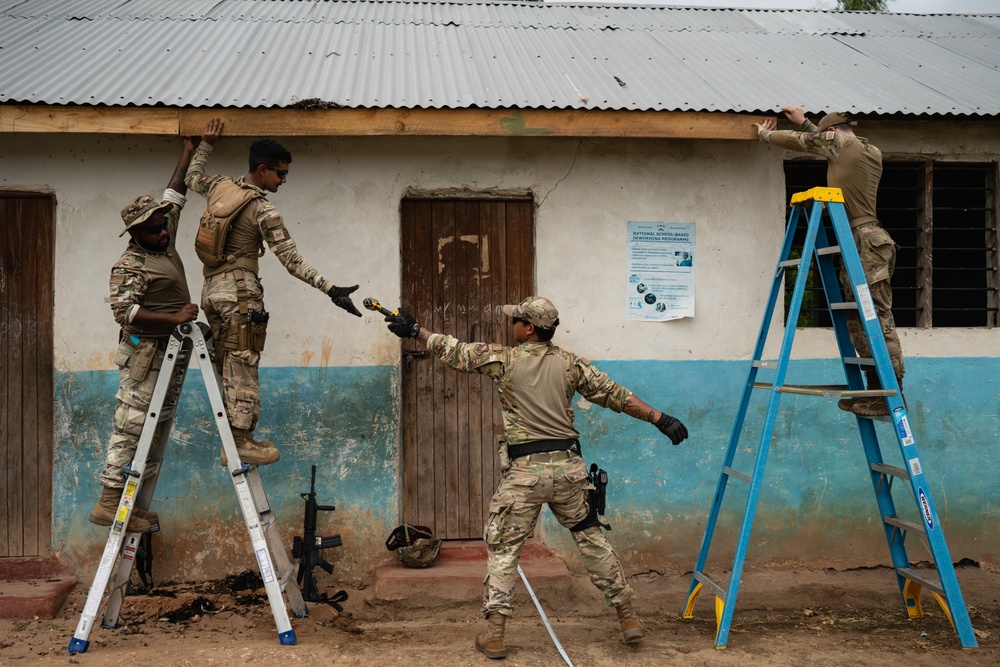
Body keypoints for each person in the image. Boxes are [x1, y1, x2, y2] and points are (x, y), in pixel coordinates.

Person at [384, 296, 690, 659]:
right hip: (569, 472)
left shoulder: (505, 359)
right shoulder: (571, 364)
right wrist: (660, 419)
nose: (511, 323)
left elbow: (457, 352)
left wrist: (416, 330)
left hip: (525, 475)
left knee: (503, 549)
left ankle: (495, 634)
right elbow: (617, 396)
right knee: (591, 539)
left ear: (529, 328)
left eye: (516, 320)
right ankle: (627, 618)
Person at [185, 119, 362, 465]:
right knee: (244, 364)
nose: (283, 180)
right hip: (240, 295)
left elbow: (192, 176)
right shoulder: (262, 209)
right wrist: (331, 289)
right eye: (280, 174)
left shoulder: (219, 186)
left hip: (211, 292)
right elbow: (291, 260)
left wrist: (204, 145)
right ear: (262, 170)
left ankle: (233, 439)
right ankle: (239, 440)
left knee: (227, 365)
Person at [753, 106, 904, 417]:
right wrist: (807, 122)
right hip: (860, 241)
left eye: (824, 133)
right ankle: (874, 390)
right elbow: (819, 137)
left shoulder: (842, 145)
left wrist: (765, 135)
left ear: (833, 133)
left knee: (876, 316)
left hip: (864, 241)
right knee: (859, 317)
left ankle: (890, 392)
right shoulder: (858, 147)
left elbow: (805, 141)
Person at [88, 137, 201, 532]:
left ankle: (129, 505)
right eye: (155, 230)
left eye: (163, 225)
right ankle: (107, 503)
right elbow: (126, 312)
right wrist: (173, 318)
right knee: (132, 426)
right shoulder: (131, 263)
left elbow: (176, 191)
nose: (164, 232)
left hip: (172, 353)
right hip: (145, 355)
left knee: (156, 427)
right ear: (137, 232)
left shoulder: (163, 235)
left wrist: (189, 152)